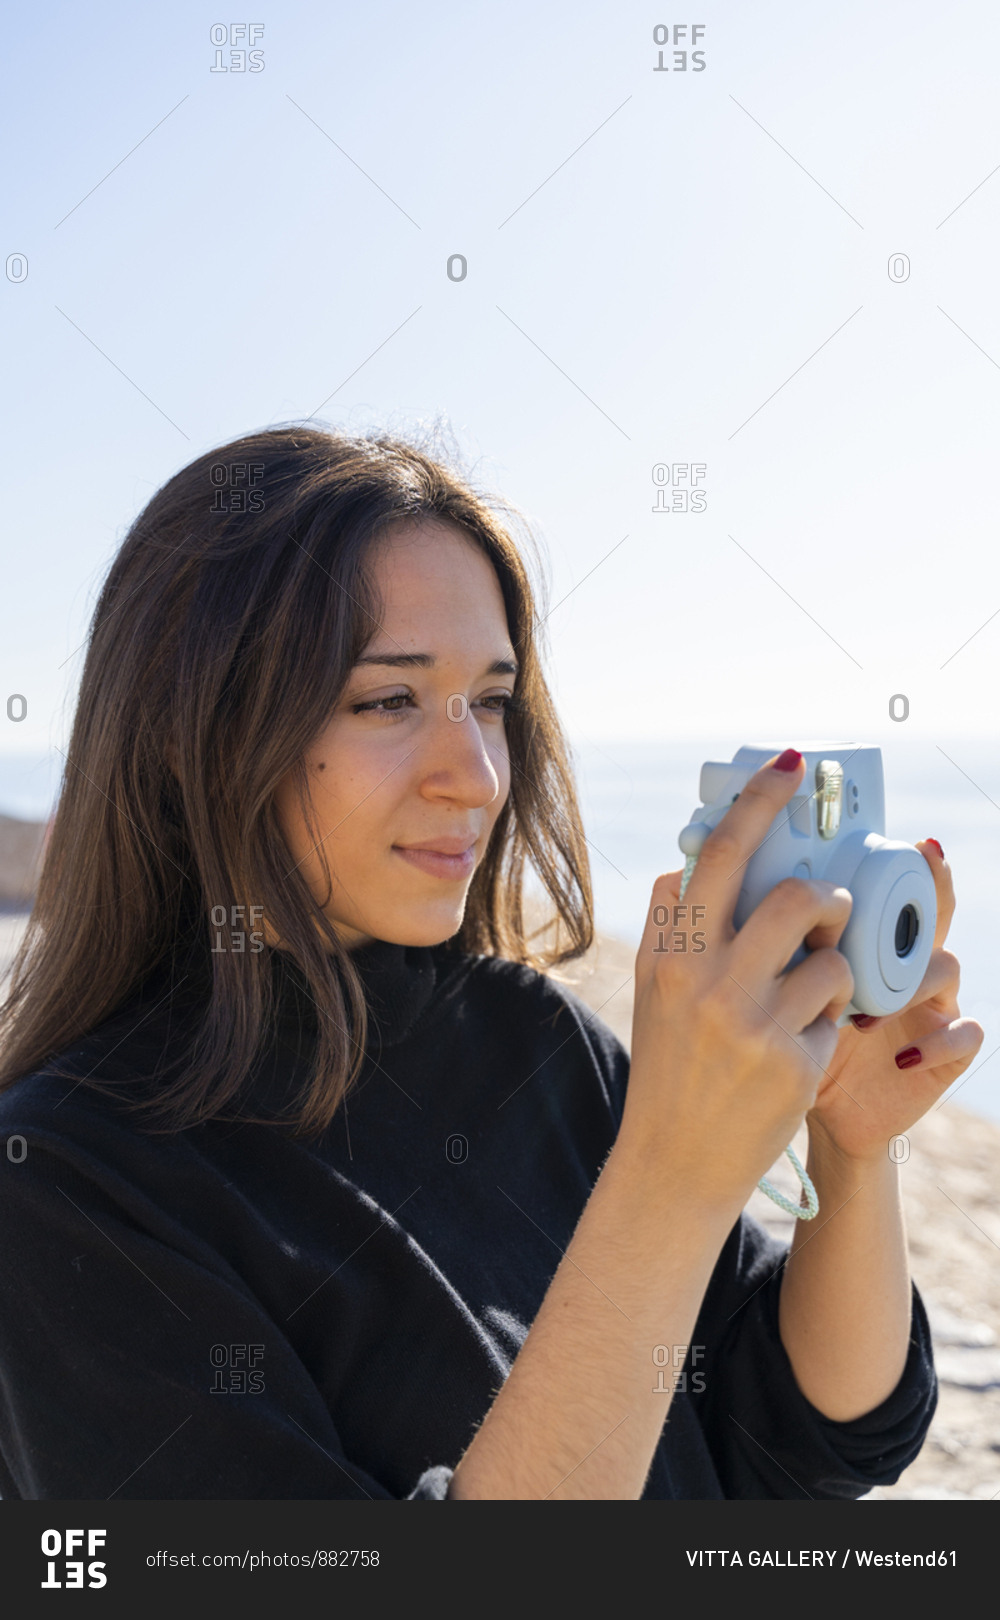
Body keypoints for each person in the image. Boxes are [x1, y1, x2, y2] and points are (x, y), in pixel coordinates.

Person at [0, 425, 982, 1501]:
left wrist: (849, 1151)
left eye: (494, 702)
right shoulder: (65, 1191)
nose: (473, 774)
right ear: (200, 729)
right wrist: (669, 1180)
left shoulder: (534, 1040)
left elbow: (810, 1435)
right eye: (388, 699)